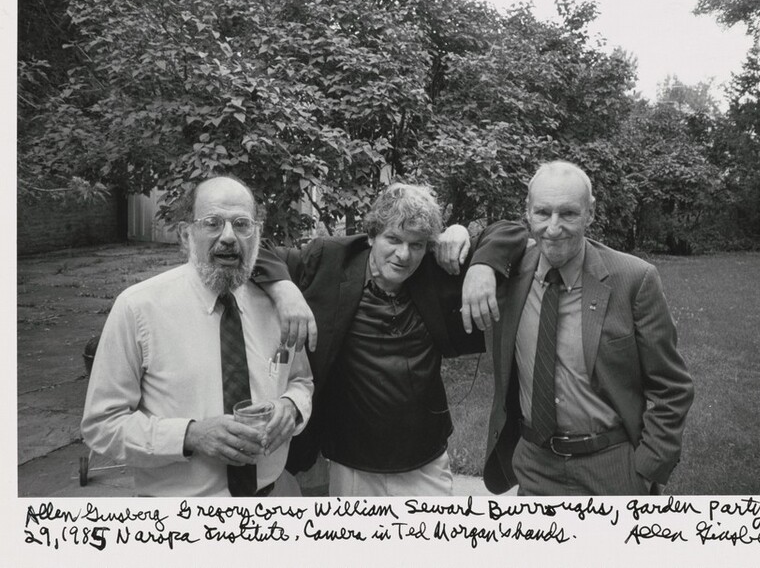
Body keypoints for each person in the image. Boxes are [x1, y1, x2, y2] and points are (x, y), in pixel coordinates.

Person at [253, 182, 526, 496]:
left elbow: (512, 233)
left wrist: (481, 265)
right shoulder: (328, 260)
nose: (404, 255)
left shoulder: (434, 268)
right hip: (351, 460)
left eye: (416, 244)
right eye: (393, 239)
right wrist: (283, 289)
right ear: (371, 235)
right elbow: (254, 250)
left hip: (425, 459)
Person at [461, 161, 694, 496]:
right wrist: (467, 249)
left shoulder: (633, 279)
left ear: (590, 213)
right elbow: (439, 247)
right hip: (534, 465)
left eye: (568, 213)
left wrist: (647, 467)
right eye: (543, 213)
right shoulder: (507, 275)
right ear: (527, 213)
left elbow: (672, 388)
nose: (553, 228)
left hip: (612, 468)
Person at [81, 176, 313, 497]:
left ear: (256, 234)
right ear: (185, 233)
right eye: (213, 223)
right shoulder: (138, 308)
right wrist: (190, 435)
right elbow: (101, 425)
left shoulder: (278, 306)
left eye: (242, 224)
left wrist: (291, 407)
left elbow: (301, 381)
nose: (229, 237)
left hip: (272, 496)